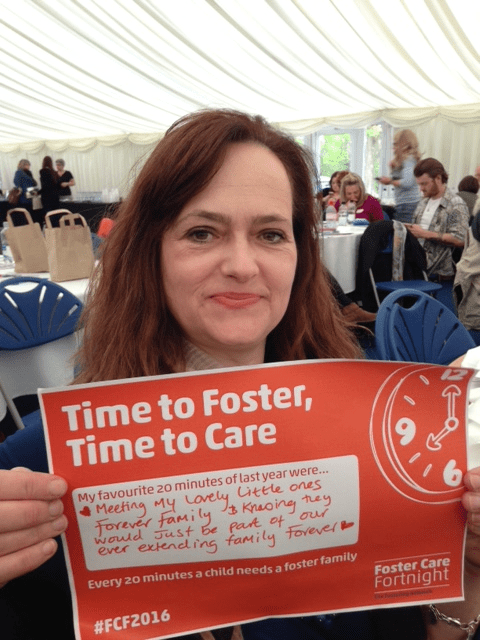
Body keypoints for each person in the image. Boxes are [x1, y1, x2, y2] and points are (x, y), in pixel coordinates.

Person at [0, 109, 479, 640]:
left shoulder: (380, 432)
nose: (243, 265)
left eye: (271, 234)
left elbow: (424, 631)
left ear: (300, 257)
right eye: (202, 232)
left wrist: (469, 569)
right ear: (150, 253)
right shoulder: (43, 473)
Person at [407, 158, 469, 282]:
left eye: (424, 184)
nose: (421, 189)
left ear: (438, 179)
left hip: (435, 267)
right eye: (419, 184)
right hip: (415, 259)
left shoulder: (456, 204)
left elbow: (461, 239)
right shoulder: (423, 202)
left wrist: (425, 234)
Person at [378, 129, 421, 223]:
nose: (393, 147)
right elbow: (401, 179)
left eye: (396, 144)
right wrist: (392, 175)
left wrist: (390, 181)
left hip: (408, 205)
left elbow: (408, 182)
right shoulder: (406, 161)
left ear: (404, 145)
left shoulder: (409, 160)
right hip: (404, 203)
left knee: (402, 230)